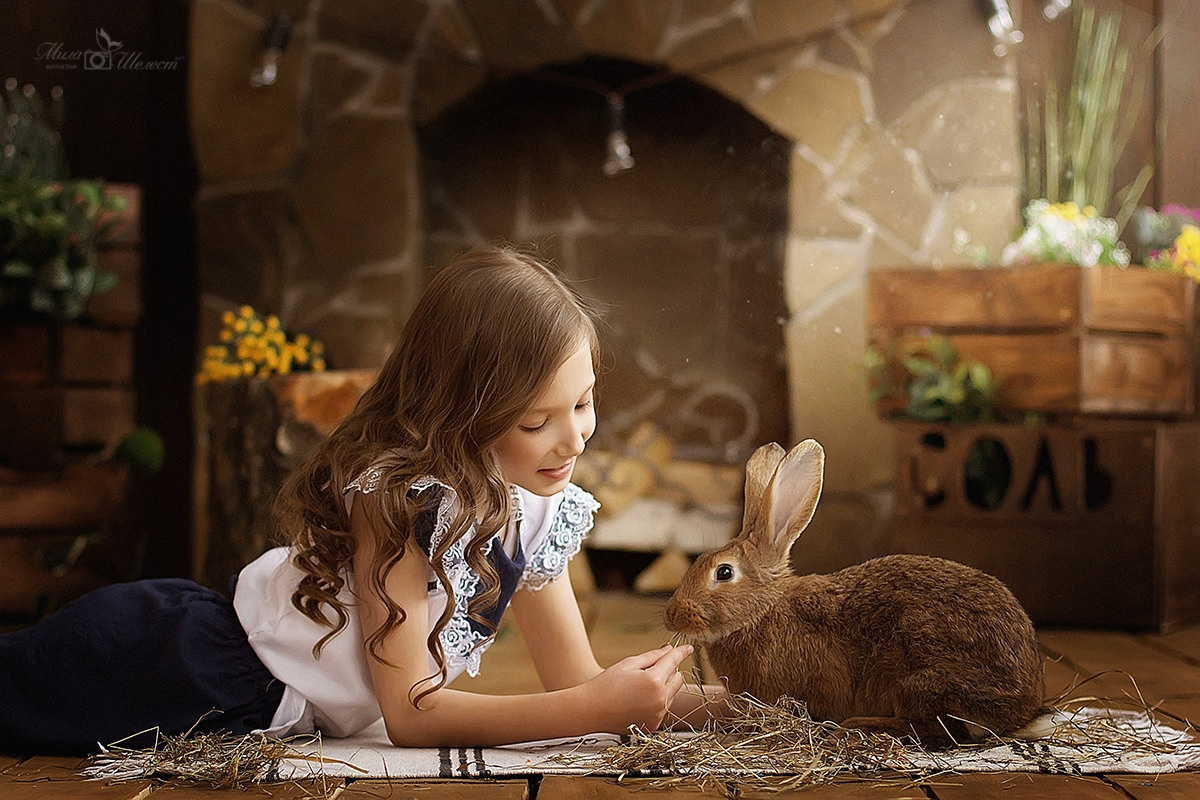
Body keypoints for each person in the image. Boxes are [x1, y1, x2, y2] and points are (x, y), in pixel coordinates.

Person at [0, 244, 723, 755]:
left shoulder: (538, 510)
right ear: (458, 413)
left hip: (253, 705)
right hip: (183, 667)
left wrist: (754, 706)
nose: (575, 441)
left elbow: (579, 685)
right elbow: (411, 715)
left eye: (586, 404)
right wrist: (593, 708)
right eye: (536, 421)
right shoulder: (400, 502)